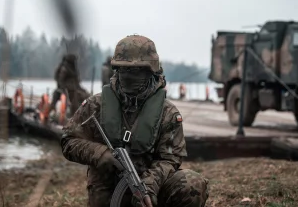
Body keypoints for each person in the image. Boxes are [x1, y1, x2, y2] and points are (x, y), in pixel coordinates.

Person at [60, 34, 209, 207]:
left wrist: (150, 183)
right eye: (124, 70)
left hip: (149, 187)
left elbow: (170, 159)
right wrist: (102, 154)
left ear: (151, 70)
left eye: (137, 70)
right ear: (116, 69)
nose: (129, 76)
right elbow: (68, 141)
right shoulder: (96, 105)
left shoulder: (167, 113)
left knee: (192, 183)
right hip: (107, 191)